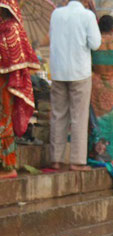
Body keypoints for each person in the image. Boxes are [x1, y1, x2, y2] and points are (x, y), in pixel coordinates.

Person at [49, 0, 101, 171]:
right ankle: (77, 161)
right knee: (79, 117)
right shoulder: (88, 16)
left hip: (58, 70)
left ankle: (56, 159)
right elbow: (95, 44)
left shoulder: (56, 13)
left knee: (58, 115)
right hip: (80, 71)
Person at [0, 0, 39, 179]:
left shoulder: (11, 28)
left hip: (6, 85)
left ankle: (8, 168)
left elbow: (12, 60)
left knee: (3, 123)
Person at [89, 15, 113, 162]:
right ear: (112, 28)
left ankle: (97, 153)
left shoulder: (94, 42)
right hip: (112, 83)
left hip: (96, 83)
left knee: (96, 120)